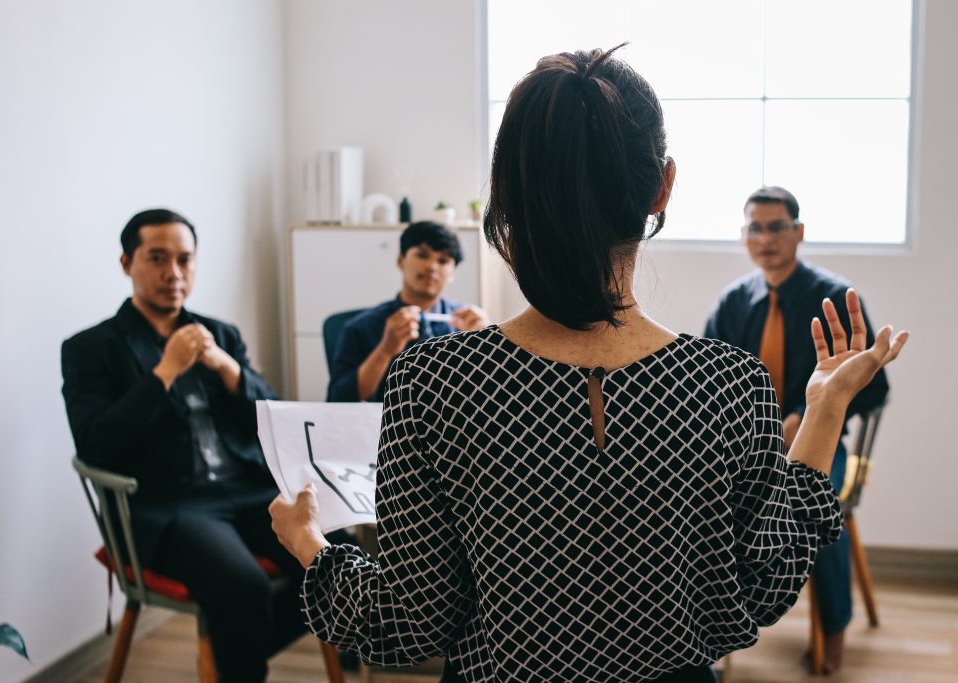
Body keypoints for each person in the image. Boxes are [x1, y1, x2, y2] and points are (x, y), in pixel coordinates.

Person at [270, 47, 907, 683]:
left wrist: (308, 543)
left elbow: (406, 623)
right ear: (663, 184)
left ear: (507, 193)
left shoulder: (435, 379)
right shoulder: (729, 383)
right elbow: (762, 589)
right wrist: (825, 409)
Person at [61, 208, 342, 682]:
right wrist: (164, 373)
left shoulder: (220, 334)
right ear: (127, 262)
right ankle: (240, 654)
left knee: (336, 553)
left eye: (185, 260)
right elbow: (95, 445)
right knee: (243, 585)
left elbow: (272, 417)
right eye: (157, 258)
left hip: (249, 490)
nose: (174, 273)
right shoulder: (91, 347)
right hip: (172, 505)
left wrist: (226, 368)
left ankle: (237, 647)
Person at [703, 186, 889, 673]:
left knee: (817, 504)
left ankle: (833, 629)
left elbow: (874, 389)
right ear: (744, 236)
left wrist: (813, 418)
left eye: (777, 226)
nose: (765, 238)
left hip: (824, 446)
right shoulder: (732, 302)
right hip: (748, 447)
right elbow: (709, 385)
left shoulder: (834, 296)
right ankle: (709, 634)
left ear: (798, 232)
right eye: (755, 228)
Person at [326, 221, 488, 403]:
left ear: (452, 273)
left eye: (443, 261)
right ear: (400, 260)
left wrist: (484, 347)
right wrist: (385, 350)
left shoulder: (468, 326)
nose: (432, 267)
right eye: (422, 255)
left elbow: (485, 397)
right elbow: (338, 400)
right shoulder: (360, 327)